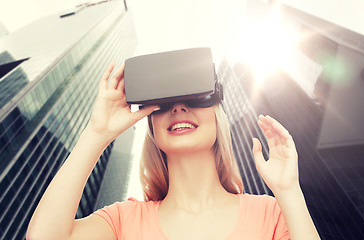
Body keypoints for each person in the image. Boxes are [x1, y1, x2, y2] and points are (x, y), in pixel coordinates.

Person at [26, 63, 321, 240]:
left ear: (217, 116)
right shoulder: (125, 220)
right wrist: (97, 133)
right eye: (164, 102)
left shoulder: (271, 212)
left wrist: (289, 190)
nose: (179, 107)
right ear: (150, 126)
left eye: (195, 96)